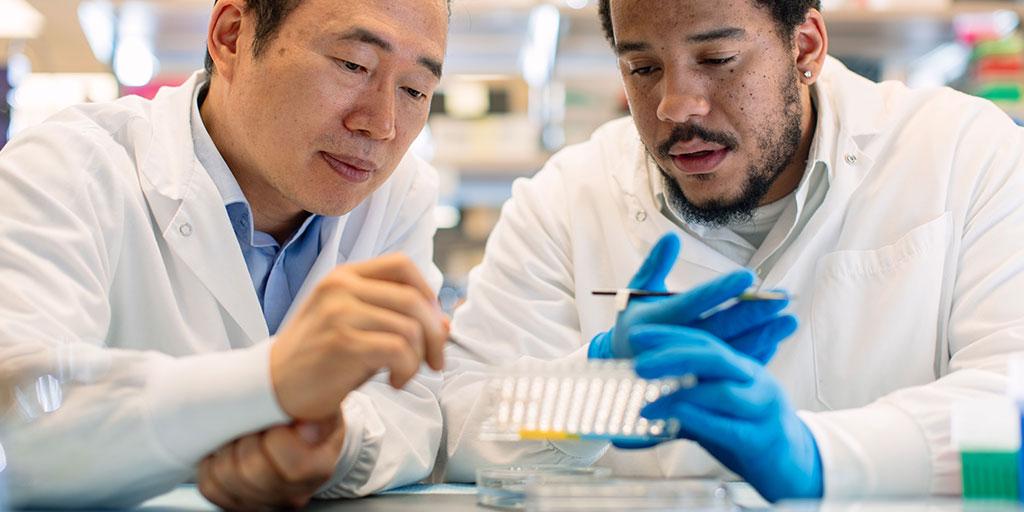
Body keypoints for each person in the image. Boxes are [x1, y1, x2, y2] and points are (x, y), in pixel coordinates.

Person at [437, 0, 1024, 502]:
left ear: (805, 48)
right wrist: (595, 389)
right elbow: (458, 431)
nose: (675, 105)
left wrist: (820, 458)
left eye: (716, 60)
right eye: (642, 67)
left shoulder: (963, 155)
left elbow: (1010, 411)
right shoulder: (565, 199)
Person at [0, 0, 451, 508]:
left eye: (414, 90)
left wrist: (332, 444)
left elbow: (411, 406)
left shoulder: (398, 195)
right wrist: (274, 383)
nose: (382, 124)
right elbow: (22, 420)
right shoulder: (65, 169)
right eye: (353, 65)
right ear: (232, 36)